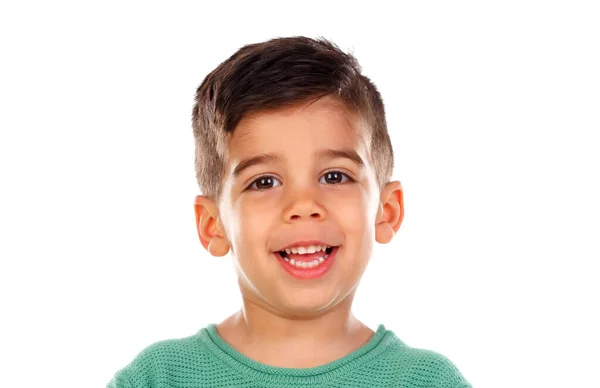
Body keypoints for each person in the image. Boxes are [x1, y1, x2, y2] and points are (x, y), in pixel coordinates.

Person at [107, 36, 471, 388]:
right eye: (264, 182)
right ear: (212, 225)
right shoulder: (158, 379)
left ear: (386, 211)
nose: (303, 206)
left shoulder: (426, 382)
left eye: (334, 176)